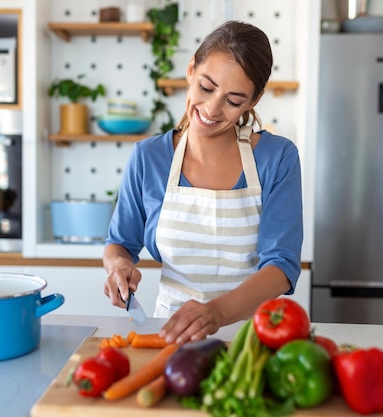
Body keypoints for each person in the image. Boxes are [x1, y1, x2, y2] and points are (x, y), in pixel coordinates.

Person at [102, 20, 303, 344]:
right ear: (191, 70)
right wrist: (118, 268)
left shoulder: (277, 158)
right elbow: (120, 243)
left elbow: (281, 266)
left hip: (252, 342)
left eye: (233, 100)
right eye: (206, 87)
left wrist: (216, 313)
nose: (211, 109)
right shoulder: (149, 157)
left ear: (254, 101)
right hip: (169, 339)